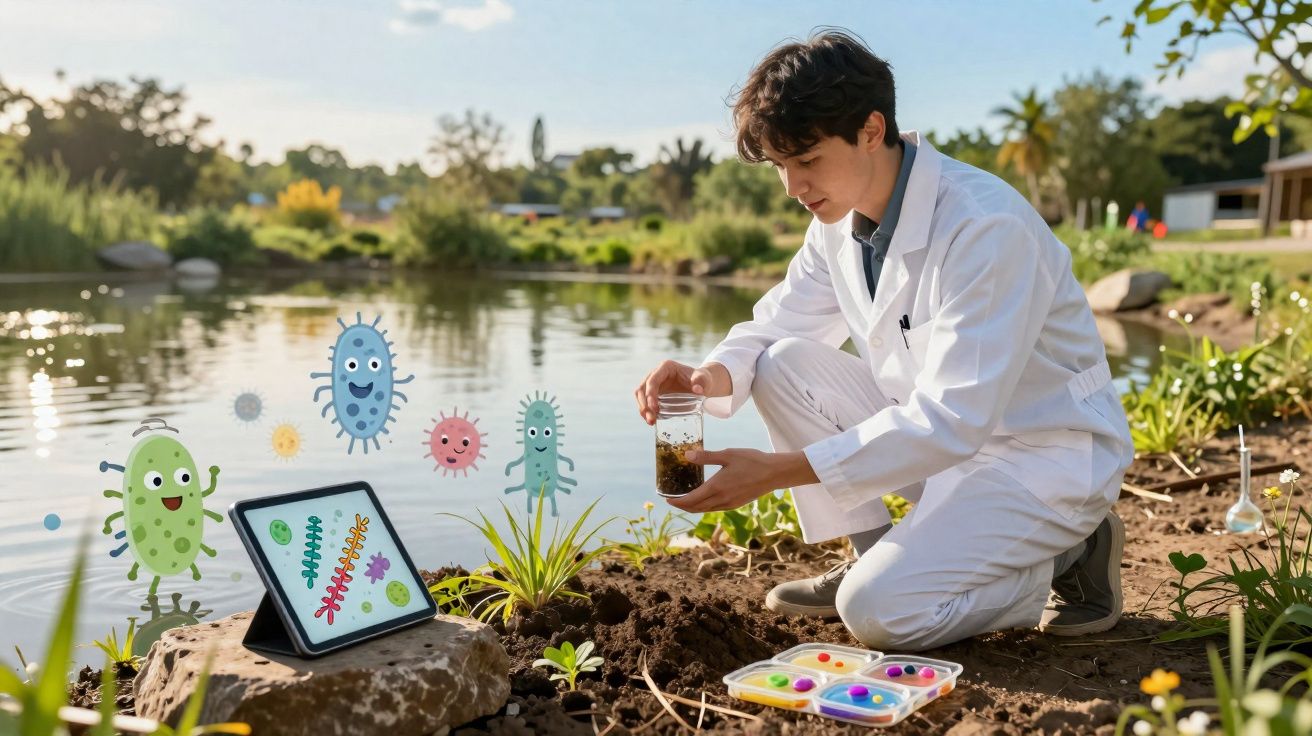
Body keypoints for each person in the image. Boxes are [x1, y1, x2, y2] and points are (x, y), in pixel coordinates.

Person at [633, 30, 1134, 651]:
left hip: (1039, 458)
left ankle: (1065, 556)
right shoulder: (839, 219)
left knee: (877, 614)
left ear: (871, 129)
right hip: (949, 447)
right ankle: (872, 551)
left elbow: (955, 417)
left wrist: (776, 473)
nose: (792, 186)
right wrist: (705, 377)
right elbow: (775, 326)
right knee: (779, 362)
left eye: (807, 159)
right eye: (781, 166)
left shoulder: (983, 227)